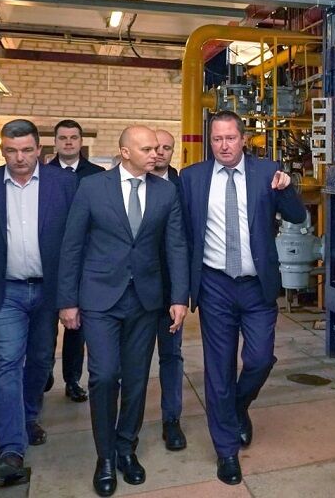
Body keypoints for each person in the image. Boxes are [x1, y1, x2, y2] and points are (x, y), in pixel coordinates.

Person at [57, 126, 189, 497]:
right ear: (125, 152)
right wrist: (67, 301)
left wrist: (179, 297)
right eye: (146, 149)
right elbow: (72, 245)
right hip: (100, 298)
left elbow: (176, 246)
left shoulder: (166, 191)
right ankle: (105, 457)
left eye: (157, 148)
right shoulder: (92, 188)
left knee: (136, 378)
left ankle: (126, 448)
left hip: (146, 300)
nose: (156, 154)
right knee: (103, 376)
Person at [179, 111, 305, 485]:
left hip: (256, 285)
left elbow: (297, 216)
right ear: (210, 141)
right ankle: (226, 450)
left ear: (243, 139)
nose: (224, 146)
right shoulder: (192, 178)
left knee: (260, 358)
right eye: (217, 139)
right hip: (214, 285)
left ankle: (237, 406)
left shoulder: (268, 172)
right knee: (218, 369)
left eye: (230, 138)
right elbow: (182, 235)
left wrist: (288, 187)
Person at [0, 119, 76, 481]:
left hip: (47, 290)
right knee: (7, 363)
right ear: (3, 150)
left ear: (39, 149)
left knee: (39, 360)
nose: (19, 158)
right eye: (11, 151)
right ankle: (10, 448)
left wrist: (73, 293)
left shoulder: (63, 184)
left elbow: (75, 242)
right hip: (3, 290)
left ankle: (27, 417)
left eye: (26, 150)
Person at [45, 119, 105, 403]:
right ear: (55, 142)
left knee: (76, 327)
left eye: (73, 137)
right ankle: (43, 372)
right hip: (49, 259)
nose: (68, 142)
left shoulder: (98, 176)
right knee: (45, 325)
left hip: (84, 261)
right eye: (63, 138)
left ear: (81, 141)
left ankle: (72, 379)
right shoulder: (43, 174)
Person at [152, 129, 186, 451]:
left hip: (170, 291)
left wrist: (182, 293)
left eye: (167, 147)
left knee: (171, 356)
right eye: (156, 147)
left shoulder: (184, 187)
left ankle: (171, 420)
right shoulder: (129, 185)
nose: (160, 152)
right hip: (133, 291)